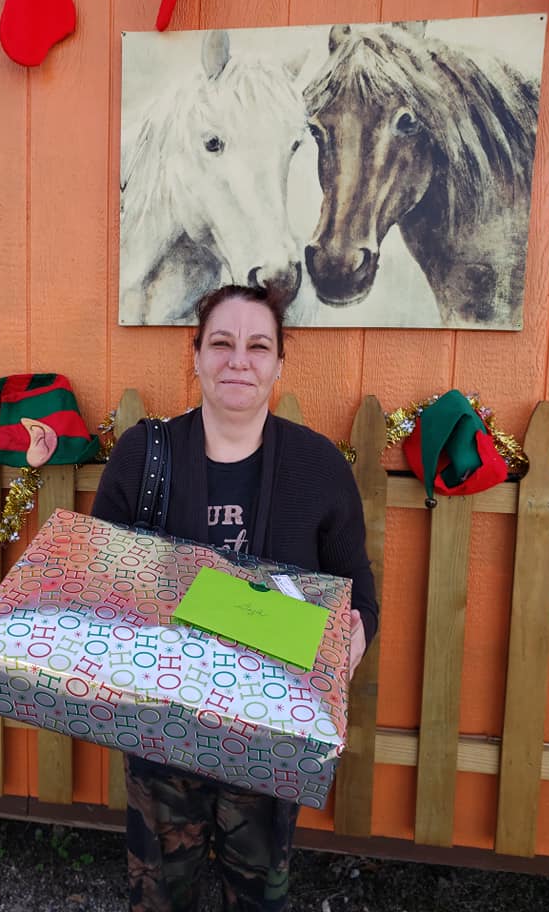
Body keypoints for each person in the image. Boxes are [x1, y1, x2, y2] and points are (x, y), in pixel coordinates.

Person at [92, 283, 379, 912]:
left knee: (257, 894)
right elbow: (102, 579)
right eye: (221, 343)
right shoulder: (145, 456)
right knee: (160, 893)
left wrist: (353, 637)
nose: (238, 361)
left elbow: (357, 593)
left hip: (270, 732)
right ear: (196, 355)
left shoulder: (318, 467)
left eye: (258, 346)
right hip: (162, 726)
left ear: (279, 363)